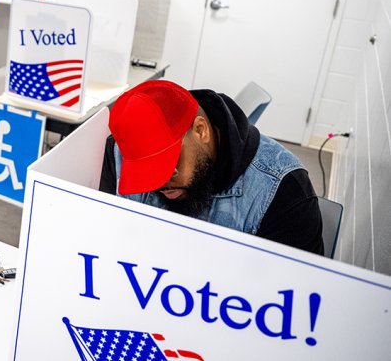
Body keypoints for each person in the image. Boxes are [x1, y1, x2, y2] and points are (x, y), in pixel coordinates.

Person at [99, 80, 324, 255]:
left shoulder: (284, 191)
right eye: (145, 173)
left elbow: (295, 303)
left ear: (200, 130)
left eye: (169, 166)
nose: (159, 182)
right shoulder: (116, 153)